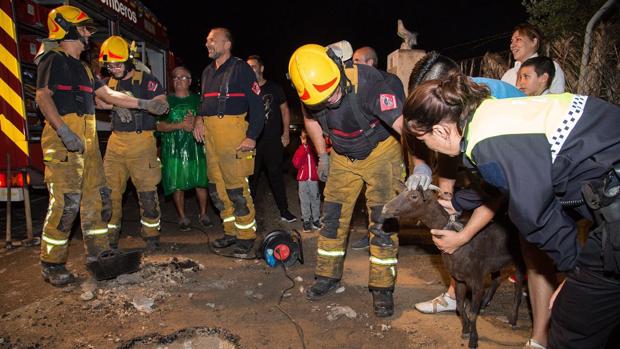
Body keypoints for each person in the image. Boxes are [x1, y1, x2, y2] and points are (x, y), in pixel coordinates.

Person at [403, 73, 620, 349]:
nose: (427, 148)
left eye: (424, 140)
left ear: (442, 130)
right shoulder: (488, 113)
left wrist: (574, 273)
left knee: (573, 321)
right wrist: (460, 202)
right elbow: (510, 175)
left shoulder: (488, 142)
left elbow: (535, 214)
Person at [407, 52, 560, 349]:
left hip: (539, 169)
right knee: (459, 226)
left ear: (448, 88)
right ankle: (454, 295)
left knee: (533, 247)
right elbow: (448, 156)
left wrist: (464, 233)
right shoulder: (450, 109)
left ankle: (541, 336)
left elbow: (502, 191)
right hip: (492, 164)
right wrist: (447, 198)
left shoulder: (496, 105)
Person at [36, 5, 168, 286]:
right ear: (68, 29)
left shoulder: (84, 67)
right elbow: (43, 97)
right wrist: (62, 129)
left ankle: (99, 254)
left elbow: (108, 94)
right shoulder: (53, 60)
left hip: (88, 139)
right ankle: (51, 262)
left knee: (96, 199)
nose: (87, 34)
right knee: (66, 203)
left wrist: (143, 104)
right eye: (83, 28)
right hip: (64, 140)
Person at [288, 42, 405, 317]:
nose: (330, 100)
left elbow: (405, 126)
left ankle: (382, 288)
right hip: (342, 156)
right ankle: (327, 276)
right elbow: (313, 122)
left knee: (382, 221)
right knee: (332, 218)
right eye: (321, 101)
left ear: (338, 68)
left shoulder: (369, 82)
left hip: (381, 153)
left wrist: (420, 166)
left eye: (334, 92)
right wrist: (322, 155)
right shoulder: (310, 89)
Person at [193, 28, 265, 255]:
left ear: (227, 44)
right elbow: (203, 104)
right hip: (211, 135)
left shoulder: (241, 69)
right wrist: (198, 121)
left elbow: (257, 105)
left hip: (233, 132)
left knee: (236, 187)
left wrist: (252, 136)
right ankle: (230, 231)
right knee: (216, 187)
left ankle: (246, 235)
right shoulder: (206, 72)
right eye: (206, 40)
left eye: (213, 40)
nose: (208, 43)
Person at [97, 36, 167, 251]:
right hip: (116, 142)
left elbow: (162, 105)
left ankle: (151, 235)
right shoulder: (108, 82)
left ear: (129, 61)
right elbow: (99, 100)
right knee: (109, 194)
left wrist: (136, 106)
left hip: (142, 142)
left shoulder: (147, 80)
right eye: (109, 65)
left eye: (118, 64)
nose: (114, 69)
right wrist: (116, 106)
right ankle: (110, 238)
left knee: (147, 193)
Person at [350, 46, 406, 251]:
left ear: (370, 63)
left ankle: (388, 238)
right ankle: (371, 233)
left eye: (356, 61)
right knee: (369, 196)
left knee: (387, 197)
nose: (352, 65)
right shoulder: (355, 84)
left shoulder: (389, 82)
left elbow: (397, 115)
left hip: (387, 147)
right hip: (364, 150)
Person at [157, 66, 211, 231]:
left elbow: (209, 121)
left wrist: (196, 121)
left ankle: (203, 214)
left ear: (189, 81)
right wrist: (180, 124)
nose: (178, 80)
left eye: (182, 77)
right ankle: (182, 217)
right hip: (174, 149)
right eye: (174, 78)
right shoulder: (166, 101)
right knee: (177, 183)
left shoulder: (199, 100)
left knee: (201, 180)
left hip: (196, 147)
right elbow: (158, 125)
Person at [245, 55, 296, 223]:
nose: (250, 69)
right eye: (248, 67)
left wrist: (286, 133)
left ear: (261, 68)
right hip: (252, 141)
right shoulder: (245, 89)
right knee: (251, 178)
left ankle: (284, 210)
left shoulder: (274, 88)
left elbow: (284, 110)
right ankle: (247, 215)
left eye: (253, 66)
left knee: (276, 177)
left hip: (272, 140)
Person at [501, 23, 565, 93]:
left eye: (518, 39)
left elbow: (557, 99)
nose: (512, 45)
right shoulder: (508, 74)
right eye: (511, 41)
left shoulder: (550, 67)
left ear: (534, 41)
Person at [292, 128, 321, 232]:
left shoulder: (315, 150)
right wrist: (304, 149)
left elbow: (320, 161)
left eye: (309, 138)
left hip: (313, 179)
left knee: (315, 199)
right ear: (301, 138)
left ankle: (316, 219)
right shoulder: (300, 150)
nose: (306, 140)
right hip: (303, 180)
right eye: (304, 138)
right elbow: (296, 163)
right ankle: (306, 220)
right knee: (304, 200)